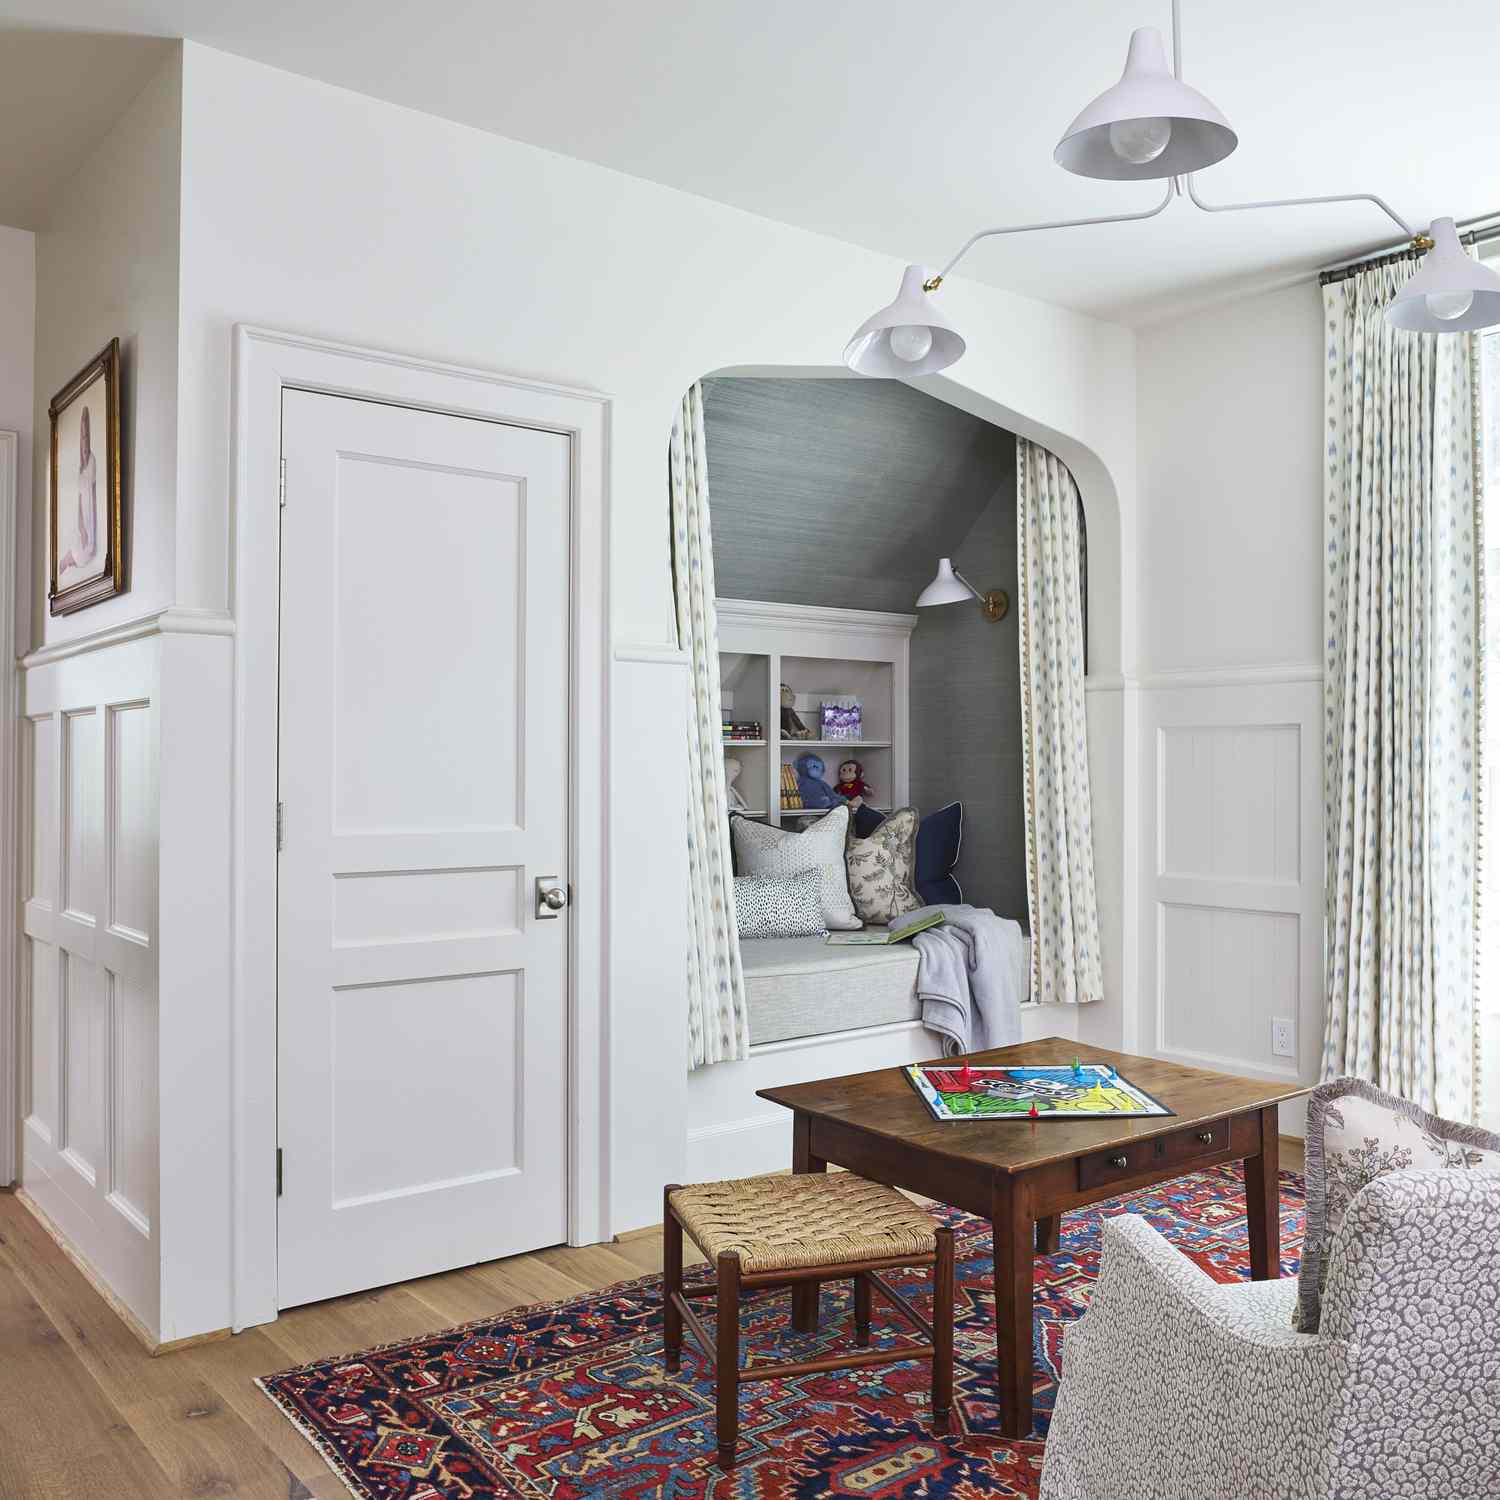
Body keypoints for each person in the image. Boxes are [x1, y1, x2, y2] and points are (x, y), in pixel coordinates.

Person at [58, 404, 99, 577]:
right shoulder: (78, 468)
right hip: (82, 528)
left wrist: (82, 526)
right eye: (82, 437)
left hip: (86, 524)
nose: (84, 442)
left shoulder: (91, 462)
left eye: (87, 437)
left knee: (83, 549)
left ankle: (69, 559)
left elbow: (90, 497)